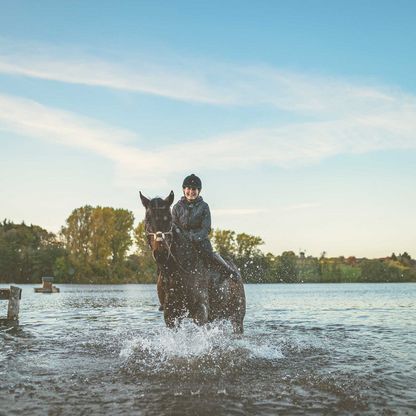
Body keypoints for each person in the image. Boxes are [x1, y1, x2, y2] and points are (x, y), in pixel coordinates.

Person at [171, 174, 239, 281]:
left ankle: (228, 270)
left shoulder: (204, 206)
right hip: (182, 242)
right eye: (188, 188)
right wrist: (183, 238)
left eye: (194, 189)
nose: (191, 191)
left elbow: (206, 229)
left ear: (198, 191)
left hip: (200, 241)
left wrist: (193, 237)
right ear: (184, 190)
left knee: (209, 253)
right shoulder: (176, 207)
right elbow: (174, 226)